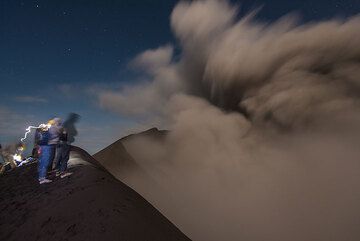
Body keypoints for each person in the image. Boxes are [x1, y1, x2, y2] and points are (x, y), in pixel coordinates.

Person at [35, 120, 55, 184]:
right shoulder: (44, 134)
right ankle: (42, 178)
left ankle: (41, 177)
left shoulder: (39, 133)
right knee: (45, 162)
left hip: (42, 147)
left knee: (42, 162)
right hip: (45, 147)